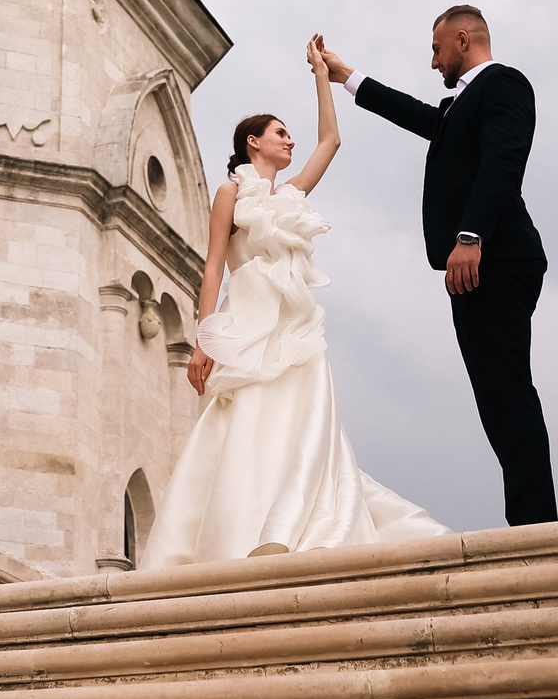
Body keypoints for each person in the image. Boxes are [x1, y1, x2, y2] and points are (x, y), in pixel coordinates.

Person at [138, 36, 447, 567]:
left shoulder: (290, 195)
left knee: (300, 423)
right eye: (280, 133)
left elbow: (331, 140)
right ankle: (241, 528)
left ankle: (296, 523)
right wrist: (202, 339)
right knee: (247, 420)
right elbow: (212, 265)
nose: (290, 141)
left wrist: (322, 77)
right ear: (252, 142)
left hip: (296, 328)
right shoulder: (230, 194)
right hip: (245, 326)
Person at [318, 6, 557, 526]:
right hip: (472, 269)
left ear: (463, 40)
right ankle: (530, 521)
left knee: (507, 392)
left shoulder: (504, 84)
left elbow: (504, 157)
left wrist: (471, 235)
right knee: (495, 398)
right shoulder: (459, 106)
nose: (433, 62)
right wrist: (347, 77)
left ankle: (537, 527)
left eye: (436, 49)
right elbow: (421, 116)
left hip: (495, 258)